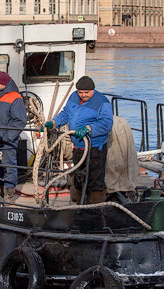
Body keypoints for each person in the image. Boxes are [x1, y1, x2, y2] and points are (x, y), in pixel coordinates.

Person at [46, 75, 114, 204]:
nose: (83, 95)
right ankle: (79, 206)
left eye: (86, 92)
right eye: (80, 92)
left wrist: (89, 128)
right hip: (78, 147)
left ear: (93, 90)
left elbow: (106, 124)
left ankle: (95, 209)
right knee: (78, 178)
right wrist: (54, 122)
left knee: (95, 181)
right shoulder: (73, 97)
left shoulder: (102, 102)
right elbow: (66, 113)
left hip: (95, 149)